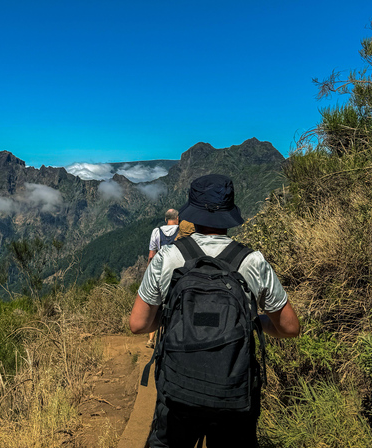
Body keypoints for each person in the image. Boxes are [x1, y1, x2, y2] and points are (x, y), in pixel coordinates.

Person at [129, 174, 300, 447]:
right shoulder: (252, 261)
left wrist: (176, 316)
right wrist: (253, 319)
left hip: (178, 392)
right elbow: (290, 328)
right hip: (233, 394)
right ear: (229, 214)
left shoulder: (168, 257)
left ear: (192, 213)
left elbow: (138, 324)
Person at [146, 208, 180, 348]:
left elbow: (151, 255)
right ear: (177, 218)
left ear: (166, 219)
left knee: (156, 304)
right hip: (177, 272)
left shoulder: (156, 232)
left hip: (160, 270)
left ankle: (151, 338)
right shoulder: (182, 231)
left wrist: (150, 272)